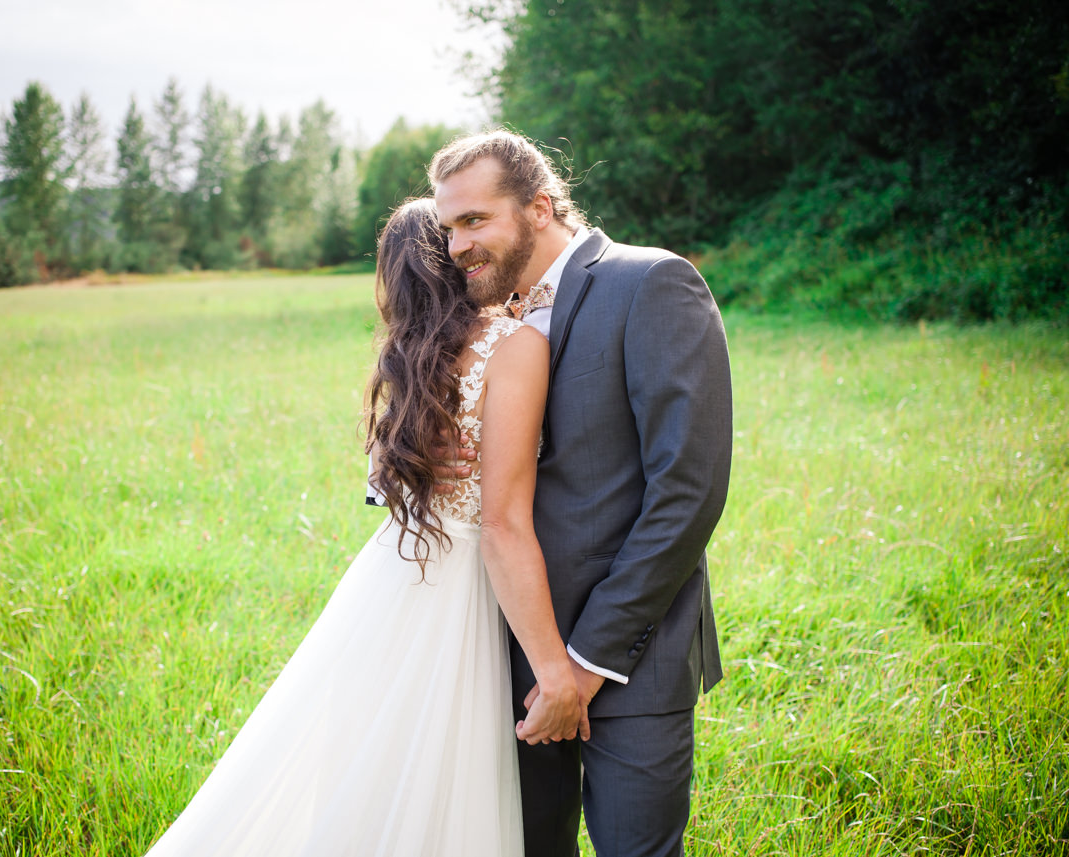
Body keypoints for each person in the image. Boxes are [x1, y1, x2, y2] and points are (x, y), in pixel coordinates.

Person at [143, 198, 584, 857]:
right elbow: (504, 516)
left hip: (396, 571)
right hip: (467, 577)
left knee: (378, 755)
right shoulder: (515, 344)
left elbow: (386, 476)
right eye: (460, 235)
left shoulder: (413, 353)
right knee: (450, 766)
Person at [429, 130, 733, 857]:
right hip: (501, 653)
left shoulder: (650, 282)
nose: (457, 246)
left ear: (539, 206)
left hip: (632, 657)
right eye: (447, 228)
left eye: (475, 220)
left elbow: (686, 492)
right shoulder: (475, 318)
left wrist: (588, 663)